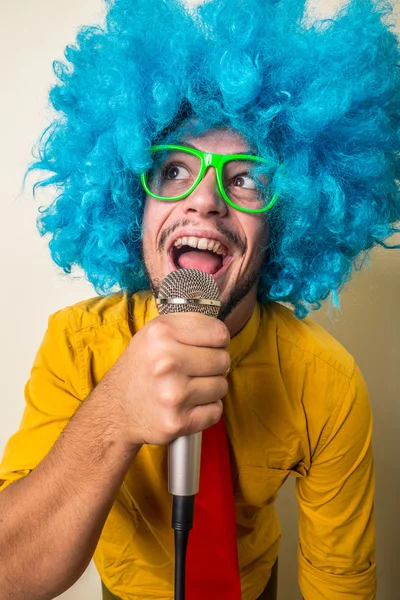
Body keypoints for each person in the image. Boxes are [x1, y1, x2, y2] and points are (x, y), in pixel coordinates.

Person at [0, 0, 399, 599]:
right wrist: (115, 414)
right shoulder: (76, 346)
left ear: (290, 220)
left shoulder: (326, 381)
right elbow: (10, 574)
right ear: (134, 206)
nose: (204, 201)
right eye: (174, 172)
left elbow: (340, 577)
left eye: (246, 179)